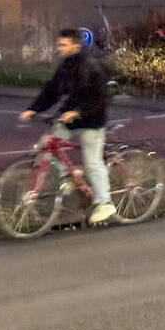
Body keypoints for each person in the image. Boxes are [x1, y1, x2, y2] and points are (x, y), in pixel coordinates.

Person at [19, 28, 115, 225]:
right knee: (49, 143)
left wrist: (78, 112)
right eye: (58, 44)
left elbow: (98, 96)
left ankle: (105, 202)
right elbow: (52, 89)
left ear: (75, 46)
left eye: (63, 45)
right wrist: (34, 108)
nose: (58, 48)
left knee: (92, 161)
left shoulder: (90, 65)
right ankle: (69, 177)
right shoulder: (66, 66)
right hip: (69, 117)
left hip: (91, 118)